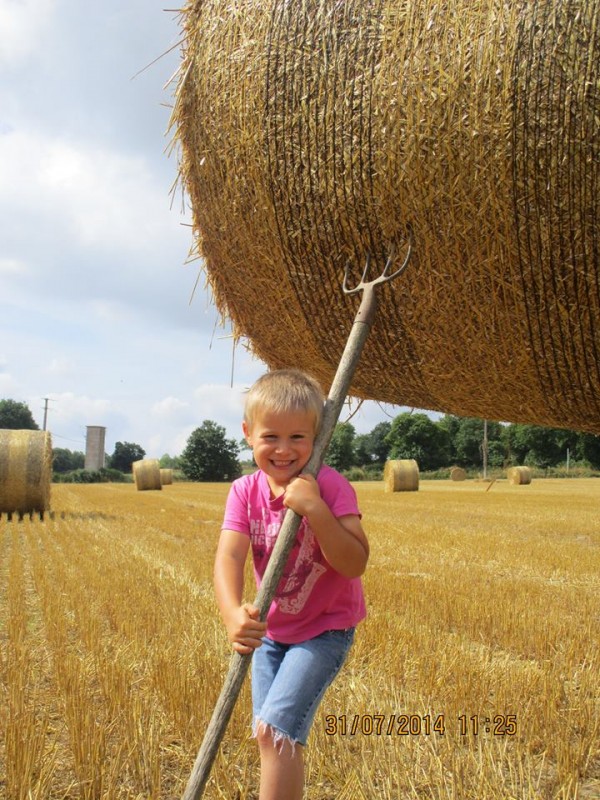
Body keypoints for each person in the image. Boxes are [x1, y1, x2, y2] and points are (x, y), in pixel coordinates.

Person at [214, 368, 369, 800]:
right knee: (272, 737)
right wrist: (231, 614)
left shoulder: (331, 487)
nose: (284, 450)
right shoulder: (244, 492)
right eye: (271, 437)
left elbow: (355, 563)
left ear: (317, 437)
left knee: (275, 730)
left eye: (298, 437)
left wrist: (315, 509)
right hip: (271, 633)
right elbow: (229, 557)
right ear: (248, 434)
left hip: (325, 629)